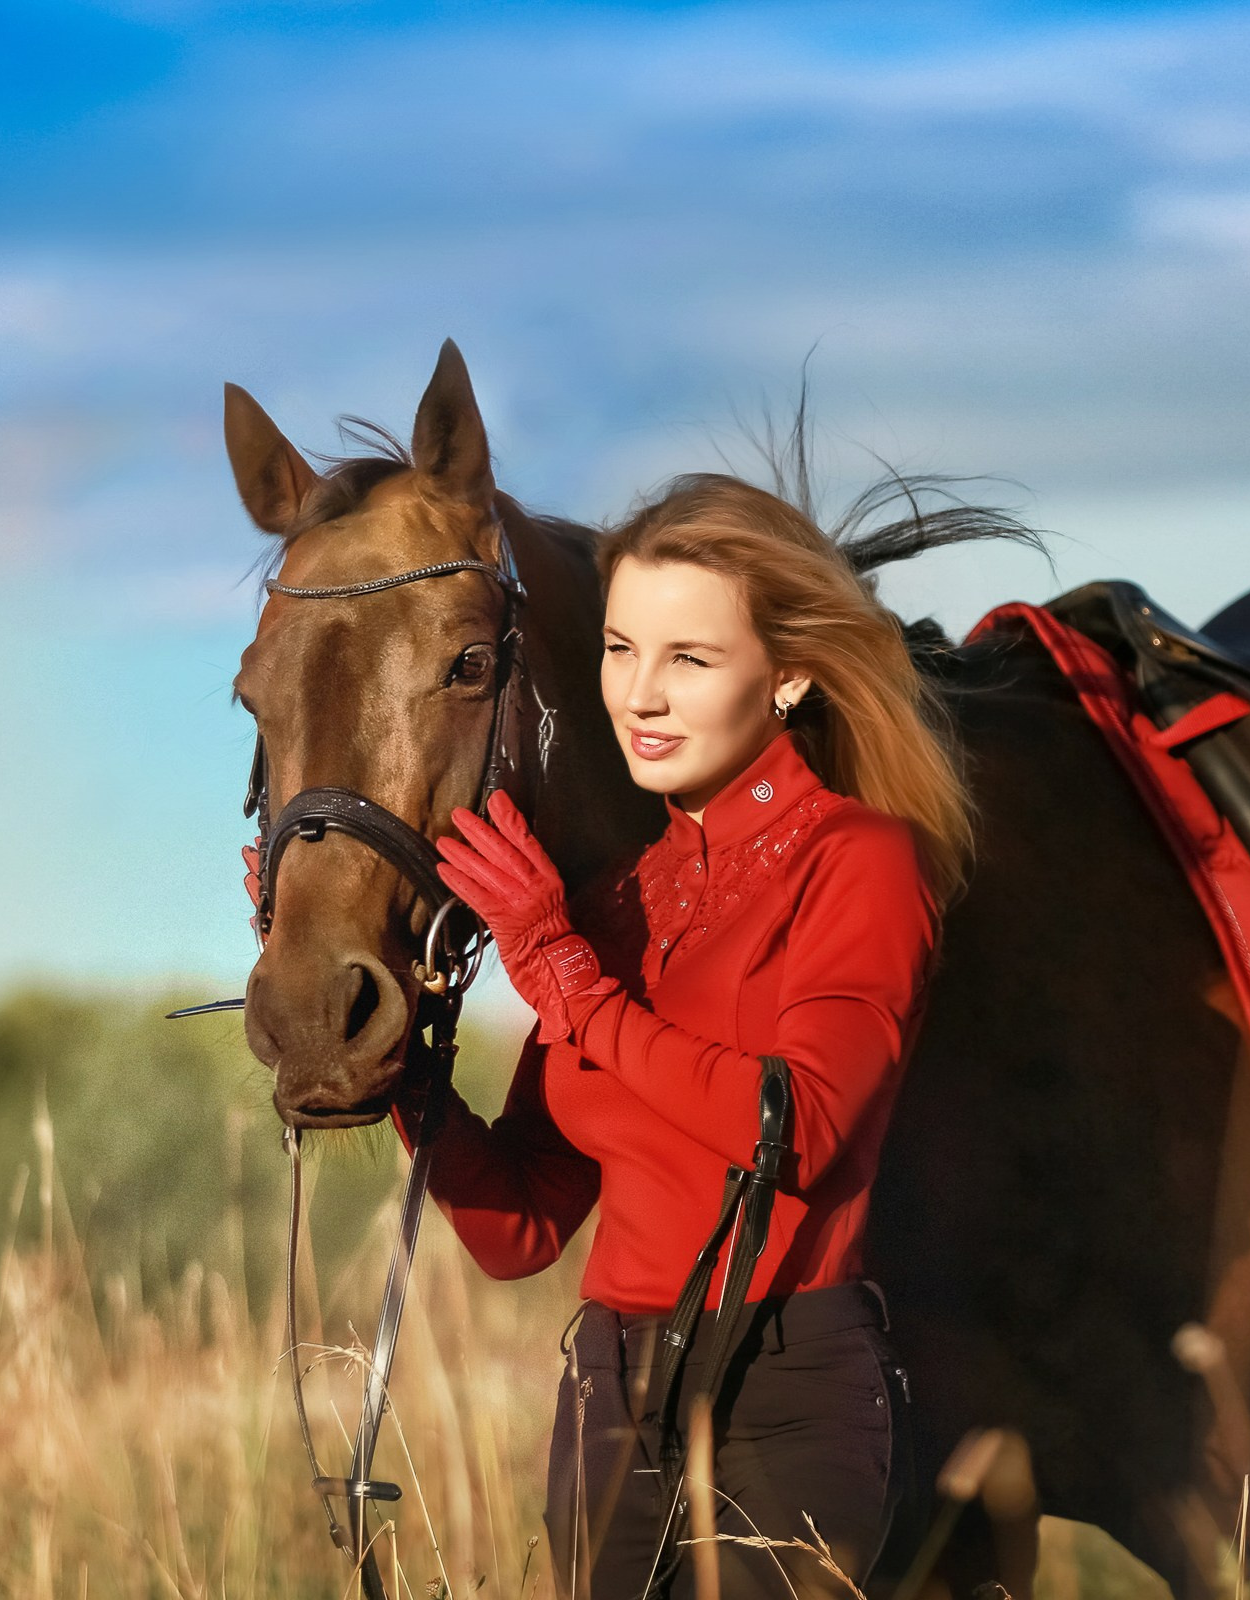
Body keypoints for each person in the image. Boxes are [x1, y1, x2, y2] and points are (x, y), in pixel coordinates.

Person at [405, 472, 974, 1600]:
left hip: (790, 1395)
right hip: (607, 1403)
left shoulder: (861, 862)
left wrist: (563, 974)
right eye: (621, 650)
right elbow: (522, 1224)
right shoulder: (617, 904)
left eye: (690, 659)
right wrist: (393, 1061)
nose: (641, 697)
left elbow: (797, 1128)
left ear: (791, 674)